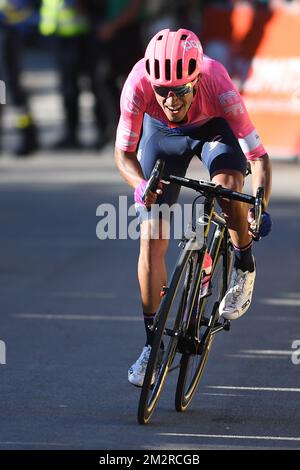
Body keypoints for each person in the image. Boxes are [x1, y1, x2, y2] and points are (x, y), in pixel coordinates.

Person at [114, 28, 272, 387]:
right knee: (151, 235)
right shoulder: (138, 82)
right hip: (161, 137)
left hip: (213, 131)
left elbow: (258, 158)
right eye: (163, 92)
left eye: (181, 91)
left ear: (197, 79)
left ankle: (244, 264)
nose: (171, 101)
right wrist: (141, 187)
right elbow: (123, 154)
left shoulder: (217, 81)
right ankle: (152, 346)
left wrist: (259, 204)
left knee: (228, 187)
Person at [0, 0, 40, 156]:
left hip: (8, 33)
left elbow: (20, 10)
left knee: (9, 87)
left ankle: (28, 137)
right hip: (8, 33)